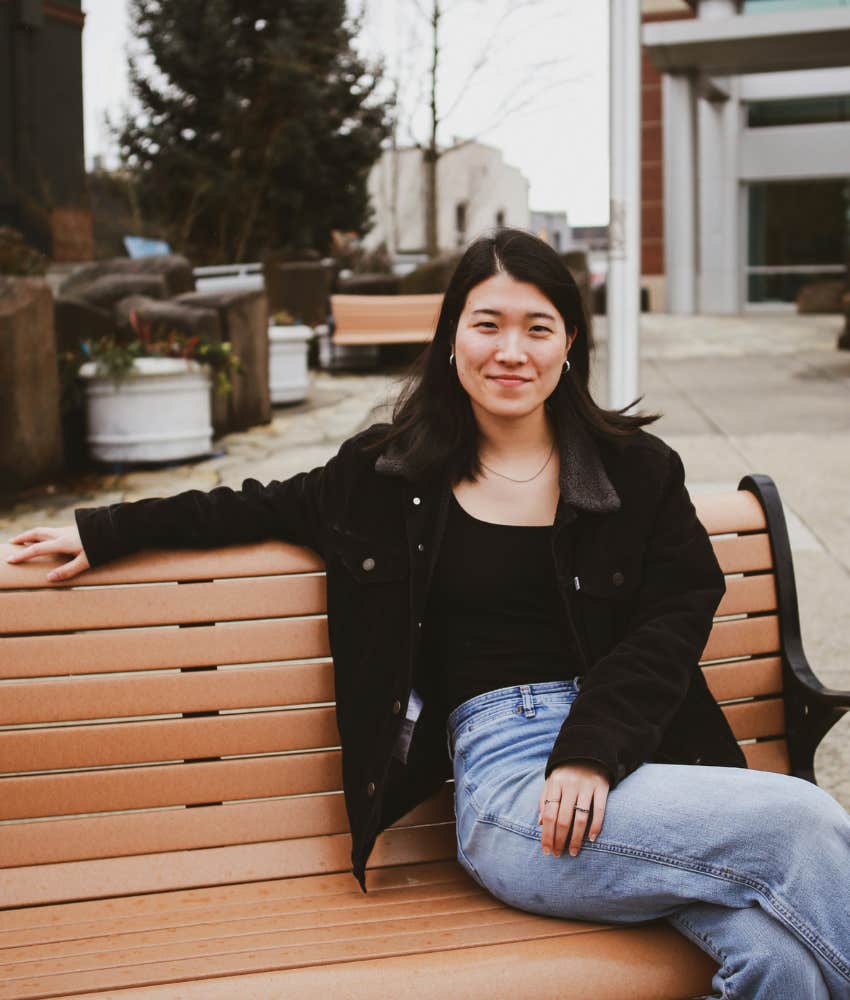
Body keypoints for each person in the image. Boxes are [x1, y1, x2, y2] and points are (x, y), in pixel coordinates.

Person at [7, 229, 850, 998]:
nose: (510, 351)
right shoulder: (386, 475)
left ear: (570, 345)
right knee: (803, 821)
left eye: (537, 327)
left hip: (635, 765)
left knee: (780, 960)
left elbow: (677, 610)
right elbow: (249, 505)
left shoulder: (637, 472)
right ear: (452, 339)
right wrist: (105, 528)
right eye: (487, 325)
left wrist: (594, 748)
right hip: (511, 794)